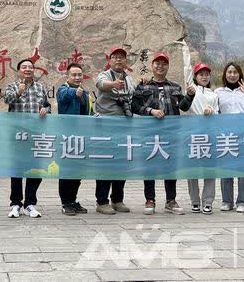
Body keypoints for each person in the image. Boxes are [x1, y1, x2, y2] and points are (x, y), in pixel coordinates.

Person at [132, 52, 193, 215]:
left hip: (171, 134)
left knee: (170, 166)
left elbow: (184, 107)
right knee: (149, 166)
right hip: (149, 133)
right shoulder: (143, 86)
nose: (160, 66)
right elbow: (134, 106)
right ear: (152, 66)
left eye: (164, 63)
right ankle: (150, 199)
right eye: (157, 63)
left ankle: (170, 200)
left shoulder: (175, 87)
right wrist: (150, 111)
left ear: (168, 66)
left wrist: (190, 95)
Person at [4, 58, 51, 219]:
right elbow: (7, 100)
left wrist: (46, 109)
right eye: (24, 67)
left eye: (30, 67)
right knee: (17, 169)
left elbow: (47, 105)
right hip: (17, 135)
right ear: (18, 71)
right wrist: (19, 91)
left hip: (36, 135)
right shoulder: (12, 86)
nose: (27, 69)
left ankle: (30, 203)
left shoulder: (40, 87)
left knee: (35, 168)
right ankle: (16, 203)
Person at [94, 46, 136, 215]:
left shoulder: (129, 79)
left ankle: (117, 199)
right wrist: (114, 84)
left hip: (124, 124)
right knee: (105, 162)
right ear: (109, 60)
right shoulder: (105, 75)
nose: (119, 59)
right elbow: (101, 85)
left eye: (122, 57)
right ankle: (102, 201)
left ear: (126, 61)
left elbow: (133, 95)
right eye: (115, 57)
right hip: (105, 124)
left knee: (121, 162)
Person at [215, 62, 244, 212]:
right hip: (225, 135)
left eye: (235, 72)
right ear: (225, 74)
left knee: (243, 170)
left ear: (240, 74)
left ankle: (243, 202)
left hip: (243, 135)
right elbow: (215, 111)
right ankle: (227, 201)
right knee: (226, 169)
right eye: (229, 72)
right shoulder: (218, 92)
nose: (232, 75)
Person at [56, 62, 92, 216]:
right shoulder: (63, 89)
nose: (77, 77)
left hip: (81, 138)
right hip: (67, 137)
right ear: (68, 76)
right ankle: (65, 203)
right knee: (67, 171)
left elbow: (87, 112)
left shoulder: (84, 93)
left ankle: (73, 200)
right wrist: (73, 93)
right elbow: (64, 96)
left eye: (79, 75)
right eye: (74, 75)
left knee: (78, 172)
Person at [186, 62, 218, 214]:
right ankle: (194, 201)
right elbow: (186, 68)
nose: (204, 77)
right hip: (194, 134)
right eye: (201, 74)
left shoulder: (213, 94)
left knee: (209, 170)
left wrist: (212, 111)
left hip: (210, 135)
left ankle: (208, 201)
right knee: (192, 170)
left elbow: (219, 113)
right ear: (195, 76)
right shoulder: (192, 91)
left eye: (206, 74)